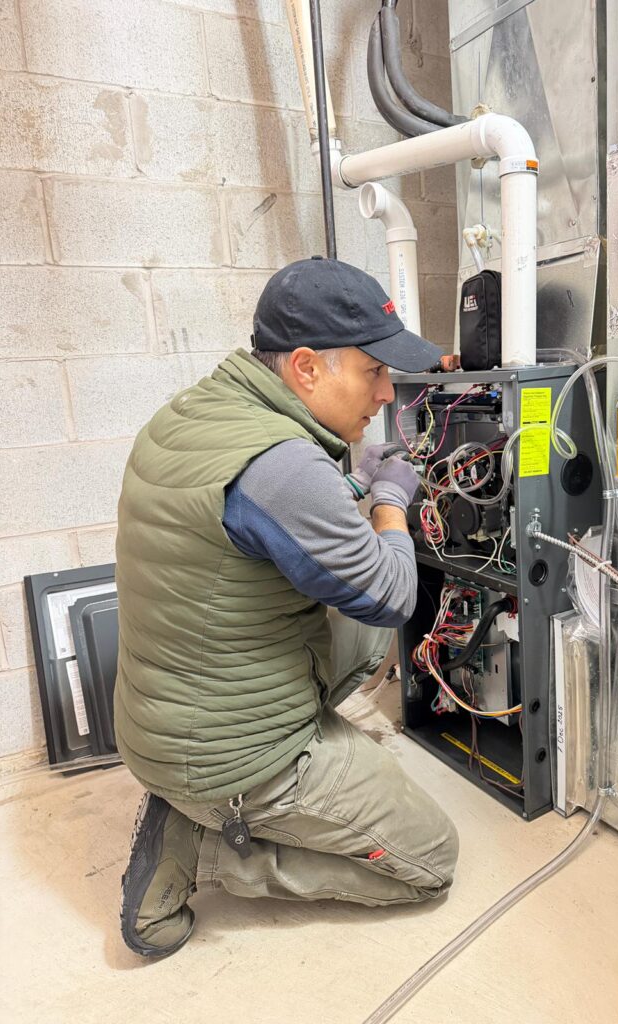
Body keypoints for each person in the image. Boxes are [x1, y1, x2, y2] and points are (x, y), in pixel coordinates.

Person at [114, 256, 459, 958]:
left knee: (355, 629)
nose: (388, 393)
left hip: (168, 713)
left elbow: (276, 513)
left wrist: (352, 481)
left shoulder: (200, 412)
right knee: (432, 861)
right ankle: (203, 849)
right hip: (228, 755)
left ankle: (207, 796)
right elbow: (391, 597)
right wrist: (390, 498)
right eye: (373, 372)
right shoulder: (282, 465)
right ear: (306, 368)